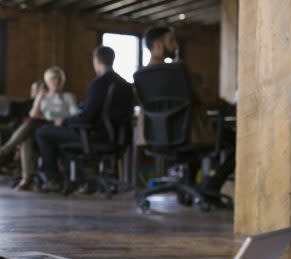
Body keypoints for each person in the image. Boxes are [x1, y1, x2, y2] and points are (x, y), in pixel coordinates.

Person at [142, 26, 235, 198]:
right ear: (157, 45)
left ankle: (188, 190)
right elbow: (209, 100)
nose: (176, 46)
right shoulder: (178, 71)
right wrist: (234, 108)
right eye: (171, 41)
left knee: (196, 143)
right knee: (236, 141)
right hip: (189, 136)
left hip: (157, 137)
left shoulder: (141, 76)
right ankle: (211, 187)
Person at [35, 46, 133, 191]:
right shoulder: (125, 84)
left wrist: (64, 122)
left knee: (43, 132)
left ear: (96, 60)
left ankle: (53, 179)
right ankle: (82, 177)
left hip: (94, 136)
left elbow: (86, 118)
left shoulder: (99, 83)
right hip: (118, 137)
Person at [0, 67, 78, 190]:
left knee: (31, 128)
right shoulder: (43, 97)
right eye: (53, 79)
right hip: (41, 130)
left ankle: (7, 155)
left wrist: (62, 119)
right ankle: (25, 177)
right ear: (47, 82)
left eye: (59, 79)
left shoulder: (68, 96)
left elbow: (75, 114)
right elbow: (33, 115)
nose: (56, 82)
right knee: (28, 134)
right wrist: (39, 98)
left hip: (58, 129)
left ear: (63, 81)